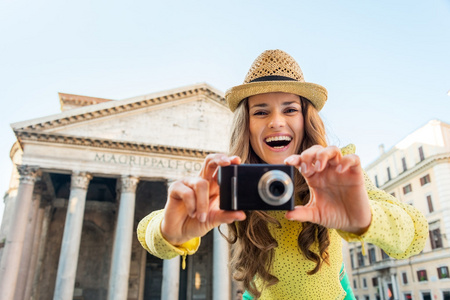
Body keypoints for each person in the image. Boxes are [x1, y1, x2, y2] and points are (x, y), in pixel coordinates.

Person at [137, 49, 428, 299]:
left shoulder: (335, 173)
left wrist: (366, 217)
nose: (276, 121)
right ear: (247, 127)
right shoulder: (232, 178)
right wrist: (168, 231)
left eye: (290, 110)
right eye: (261, 112)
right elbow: (148, 231)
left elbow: (416, 235)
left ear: (306, 120)